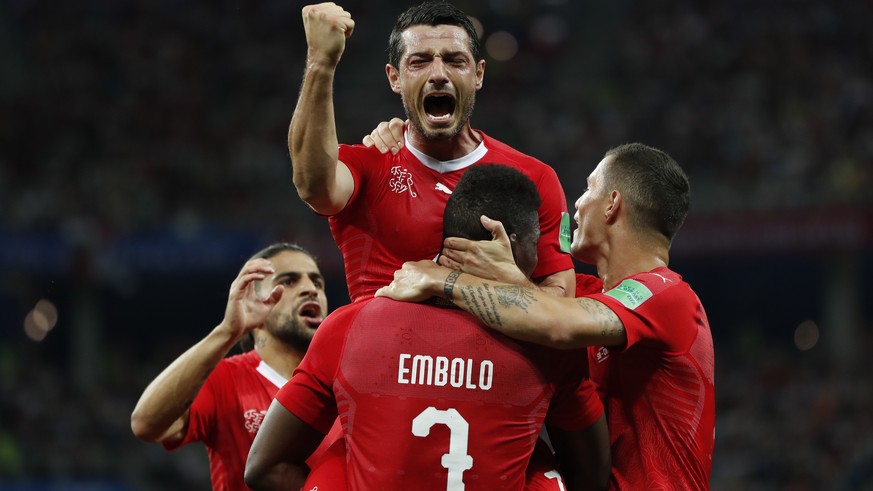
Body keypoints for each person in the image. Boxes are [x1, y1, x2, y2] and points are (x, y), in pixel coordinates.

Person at [245, 164, 610, 491]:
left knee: (339, 460)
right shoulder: (550, 345)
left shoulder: (348, 326)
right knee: (542, 473)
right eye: (536, 246)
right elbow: (592, 477)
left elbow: (264, 467)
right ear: (510, 242)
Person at [378, 143, 716, 490]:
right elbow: (537, 305)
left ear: (612, 204)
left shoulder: (667, 295)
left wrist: (442, 280)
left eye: (588, 189)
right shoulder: (588, 296)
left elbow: (556, 324)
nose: (578, 204)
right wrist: (404, 143)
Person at [289, 1, 575, 303]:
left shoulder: (535, 178)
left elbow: (562, 297)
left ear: (478, 74)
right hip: (381, 348)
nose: (438, 73)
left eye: (455, 61)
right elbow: (313, 187)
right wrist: (321, 62)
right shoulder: (369, 161)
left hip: (491, 352)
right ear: (394, 78)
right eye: (419, 61)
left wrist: (495, 283)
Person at [130, 243, 331, 491]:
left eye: (317, 283)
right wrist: (227, 331)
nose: (310, 289)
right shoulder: (226, 377)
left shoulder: (343, 384)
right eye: (289, 281)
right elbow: (146, 424)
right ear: (254, 300)